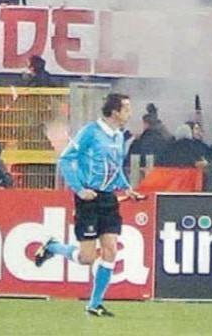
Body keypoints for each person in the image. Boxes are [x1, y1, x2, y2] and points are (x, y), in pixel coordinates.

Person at [33, 92, 145, 317]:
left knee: (111, 249)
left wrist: (126, 188)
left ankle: (94, 304)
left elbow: (115, 167)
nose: (130, 112)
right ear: (115, 112)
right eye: (126, 108)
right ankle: (53, 247)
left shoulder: (118, 136)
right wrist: (79, 189)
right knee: (86, 258)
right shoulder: (90, 132)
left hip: (109, 199)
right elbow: (65, 159)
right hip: (89, 199)